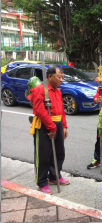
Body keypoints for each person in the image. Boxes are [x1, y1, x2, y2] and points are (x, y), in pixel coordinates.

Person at [28, 66, 69, 195]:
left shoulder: (58, 91)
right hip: (45, 125)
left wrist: (64, 126)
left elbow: (61, 110)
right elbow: (40, 110)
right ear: (49, 77)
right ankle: (42, 182)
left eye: (62, 77)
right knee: (44, 155)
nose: (61, 80)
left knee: (59, 153)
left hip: (57, 124)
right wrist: (51, 127)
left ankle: (54, 176)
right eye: (59, 77)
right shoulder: (41, 90)